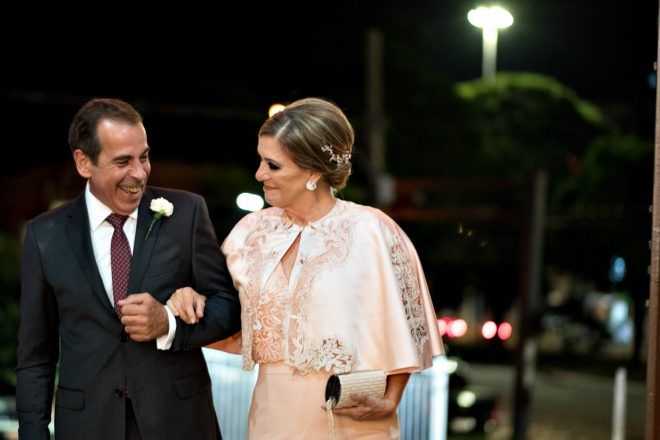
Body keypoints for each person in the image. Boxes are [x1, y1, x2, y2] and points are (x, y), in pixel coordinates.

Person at [168, 97, 444, 439]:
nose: (259, 174)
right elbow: (218, 304)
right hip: (271, 419)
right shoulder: (250, 232)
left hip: (352, 422)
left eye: (273, 165)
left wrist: (391, 399)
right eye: (260, 161)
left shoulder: (372, 231)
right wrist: (187, 295)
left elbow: (405, 328)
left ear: (313, 171)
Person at [16, 98, 241, 440]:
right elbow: (35, 355)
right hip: (87, 427)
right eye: (123, 161)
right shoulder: (45, 235)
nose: (139, 173)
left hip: (179, 423)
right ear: (84, 162)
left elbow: (230, 309)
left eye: (144, 157)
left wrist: (168, 323)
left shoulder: (187, 213)